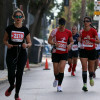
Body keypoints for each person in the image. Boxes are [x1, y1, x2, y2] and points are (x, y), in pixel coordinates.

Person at [3, 8, 32, 100]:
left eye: (20, 16)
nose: (18, 18)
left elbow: (30, 43)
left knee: (19, 74)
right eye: (16, 16)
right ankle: (12, 85)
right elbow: (4, 40)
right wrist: (8, 44)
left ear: (23, 18)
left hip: (21, 52)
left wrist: (26, 45)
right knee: (11, 73)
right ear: (14, 18)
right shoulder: (9, 28)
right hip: (11, 51)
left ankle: (17, 94)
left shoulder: (25, 29)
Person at [48, 18, 74, 92]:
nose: (62, 26)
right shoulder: (54, 31)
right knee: (56, 71)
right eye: (60, 25)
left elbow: (72, 41)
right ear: (58, 24)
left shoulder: (68, 32)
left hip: (64, 52)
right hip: (56, 52)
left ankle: (59, 85)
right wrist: (55, 43)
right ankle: (56, 78)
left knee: (61, 68)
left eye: (63, 25)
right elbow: (49, 40)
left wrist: (69, 45)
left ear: (64, 24)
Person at [79, 16, 99, 92]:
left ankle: (90, 77)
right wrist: (79, 40)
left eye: (87, 21)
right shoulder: (81, 31)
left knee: (91, 68)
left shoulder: (93, 31)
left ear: (90, 22)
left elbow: (98, 41)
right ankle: (84, 85)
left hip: (92, 51)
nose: (85, 22)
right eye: (84, 21)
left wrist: (90, 39)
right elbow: (80, 40)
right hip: (83, 50)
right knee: (84, 67)